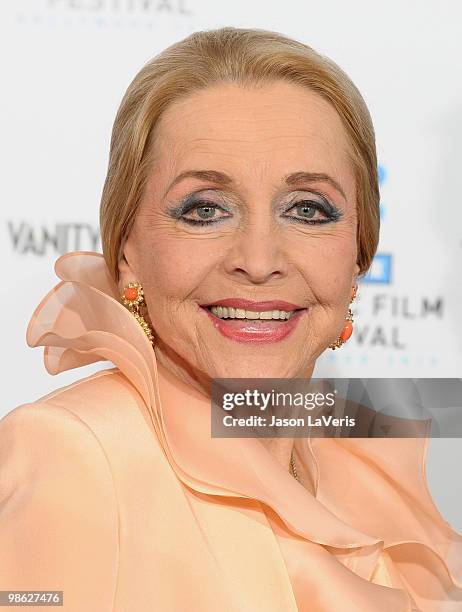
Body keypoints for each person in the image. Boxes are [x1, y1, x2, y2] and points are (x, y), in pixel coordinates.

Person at [0, 26, 460, 612]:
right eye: (205, 210)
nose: (259, 261)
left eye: (307, 210)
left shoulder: (363, 464)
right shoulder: (76, 455)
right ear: (127, 251)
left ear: (359, 254)